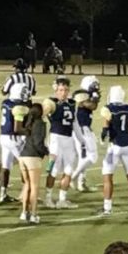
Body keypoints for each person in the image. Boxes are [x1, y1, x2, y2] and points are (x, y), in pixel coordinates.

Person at [98, 86, 128, 215]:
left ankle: (107, 207)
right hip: (126, 145)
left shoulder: (109, 110)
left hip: (114, 147)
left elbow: (105, 127)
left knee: (107, 177)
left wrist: (103, 138)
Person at [45, 77, 80, 210]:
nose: (63, 93)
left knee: (69, 170)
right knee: (53, 170)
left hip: (68, 139)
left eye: (66, 90)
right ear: (56, 90)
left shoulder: (72, 103)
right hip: (56, 139)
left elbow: (75, 122)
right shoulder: (51, 102)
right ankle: (48, 198)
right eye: (61, 90)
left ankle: (62, 200)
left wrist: (81, 141)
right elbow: (44, 112)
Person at [0, 82, 29, 205]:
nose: (26, 94)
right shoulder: (19, 107)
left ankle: (3, 194)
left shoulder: (5, 103)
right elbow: (17, 128)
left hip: (4, 137)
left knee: (5, 166)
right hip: (14, 138)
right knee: (25, 165)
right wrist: (30, 132)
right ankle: (26, 192)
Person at [68, 75, 102, 194]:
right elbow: (91, 106)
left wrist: (94, 96)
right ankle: (73, 178)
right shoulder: (81, 95)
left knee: (84, 158)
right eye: (94, 84)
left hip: (83, 128)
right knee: (92, 157)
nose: (96, 87)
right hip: (81, 129)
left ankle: (81, 183)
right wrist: (95, 97)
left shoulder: (85, 94)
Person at [18, 101, 48, 224]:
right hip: (33, 157)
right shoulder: (40, 124)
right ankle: (34, 214)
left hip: (23, 156)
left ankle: (24, 213)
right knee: (35, 187)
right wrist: (45, 152)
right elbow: (38, 143)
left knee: (27, 185)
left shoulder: (28, 122)